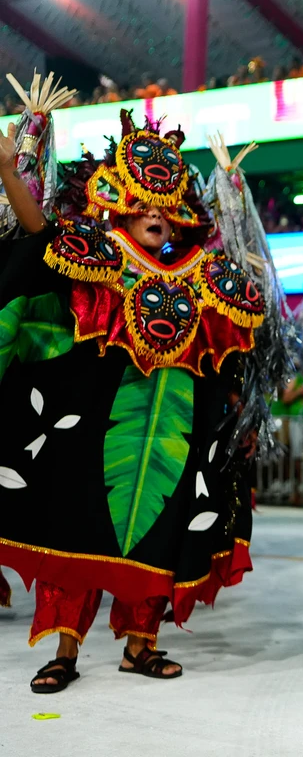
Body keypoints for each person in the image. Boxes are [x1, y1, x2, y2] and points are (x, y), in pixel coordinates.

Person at [0, 97, 267, 692]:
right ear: (118, 211)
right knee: (76, 530)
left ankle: (141, 646)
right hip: (87, 431)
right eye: (142, 204)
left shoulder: (203, 273)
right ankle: (64, 652)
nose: (155, 215)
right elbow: (37, 227)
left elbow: (236, 352)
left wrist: (238, 418)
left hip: (170, 433)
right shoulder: (94, 257)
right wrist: (6, 167)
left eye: (165, 208)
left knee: (158, 529)